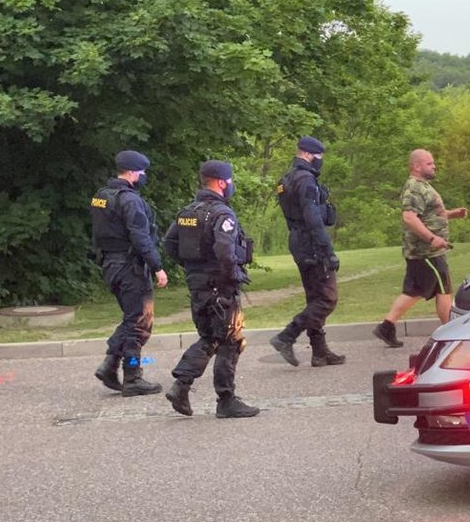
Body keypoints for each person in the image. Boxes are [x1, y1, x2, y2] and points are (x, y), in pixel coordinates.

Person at [163, 160, 258, 419]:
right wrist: (232, 275)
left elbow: (170, 244)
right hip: (220, 287)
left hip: (198, 285)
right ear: (221, 182)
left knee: (216, 337)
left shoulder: (187, 212)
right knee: (226, 338)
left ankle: (192, 389)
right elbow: (225, 251)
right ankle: (218, 398)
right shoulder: (222, 214)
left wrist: (194, 268)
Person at [90, 150, 167, 396]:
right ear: (133, 172)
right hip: (130, 267)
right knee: (139, 323)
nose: (144, 176)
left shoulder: (101, 196)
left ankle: (110, 366)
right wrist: (157, 267)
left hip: (110, 265)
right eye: (142, 172)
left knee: (131, 319)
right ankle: (132, 375)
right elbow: (140, 237)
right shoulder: (130, 200)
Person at [373, 149, 468, 348]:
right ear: (416, 166)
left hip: (425, 252)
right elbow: (409, 217)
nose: (434, 166)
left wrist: (451, 215)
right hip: (427, 252)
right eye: (429, 163)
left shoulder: (423, 187)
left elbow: (429, 215)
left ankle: (386, 326)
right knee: (443, 290)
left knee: (414, 291)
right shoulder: (415, 188)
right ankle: (451, 333)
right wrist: (432, 238)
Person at [268, 136, 346, 368]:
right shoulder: (306, 181)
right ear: (310, 155)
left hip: (298, 240)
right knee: (327, 298)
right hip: (311, 242)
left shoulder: (287, 179)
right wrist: (327, 250)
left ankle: (320, 352)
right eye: (320, 156)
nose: (321, 161)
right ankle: (286, 336)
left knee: (314, 296)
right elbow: (313, 218)